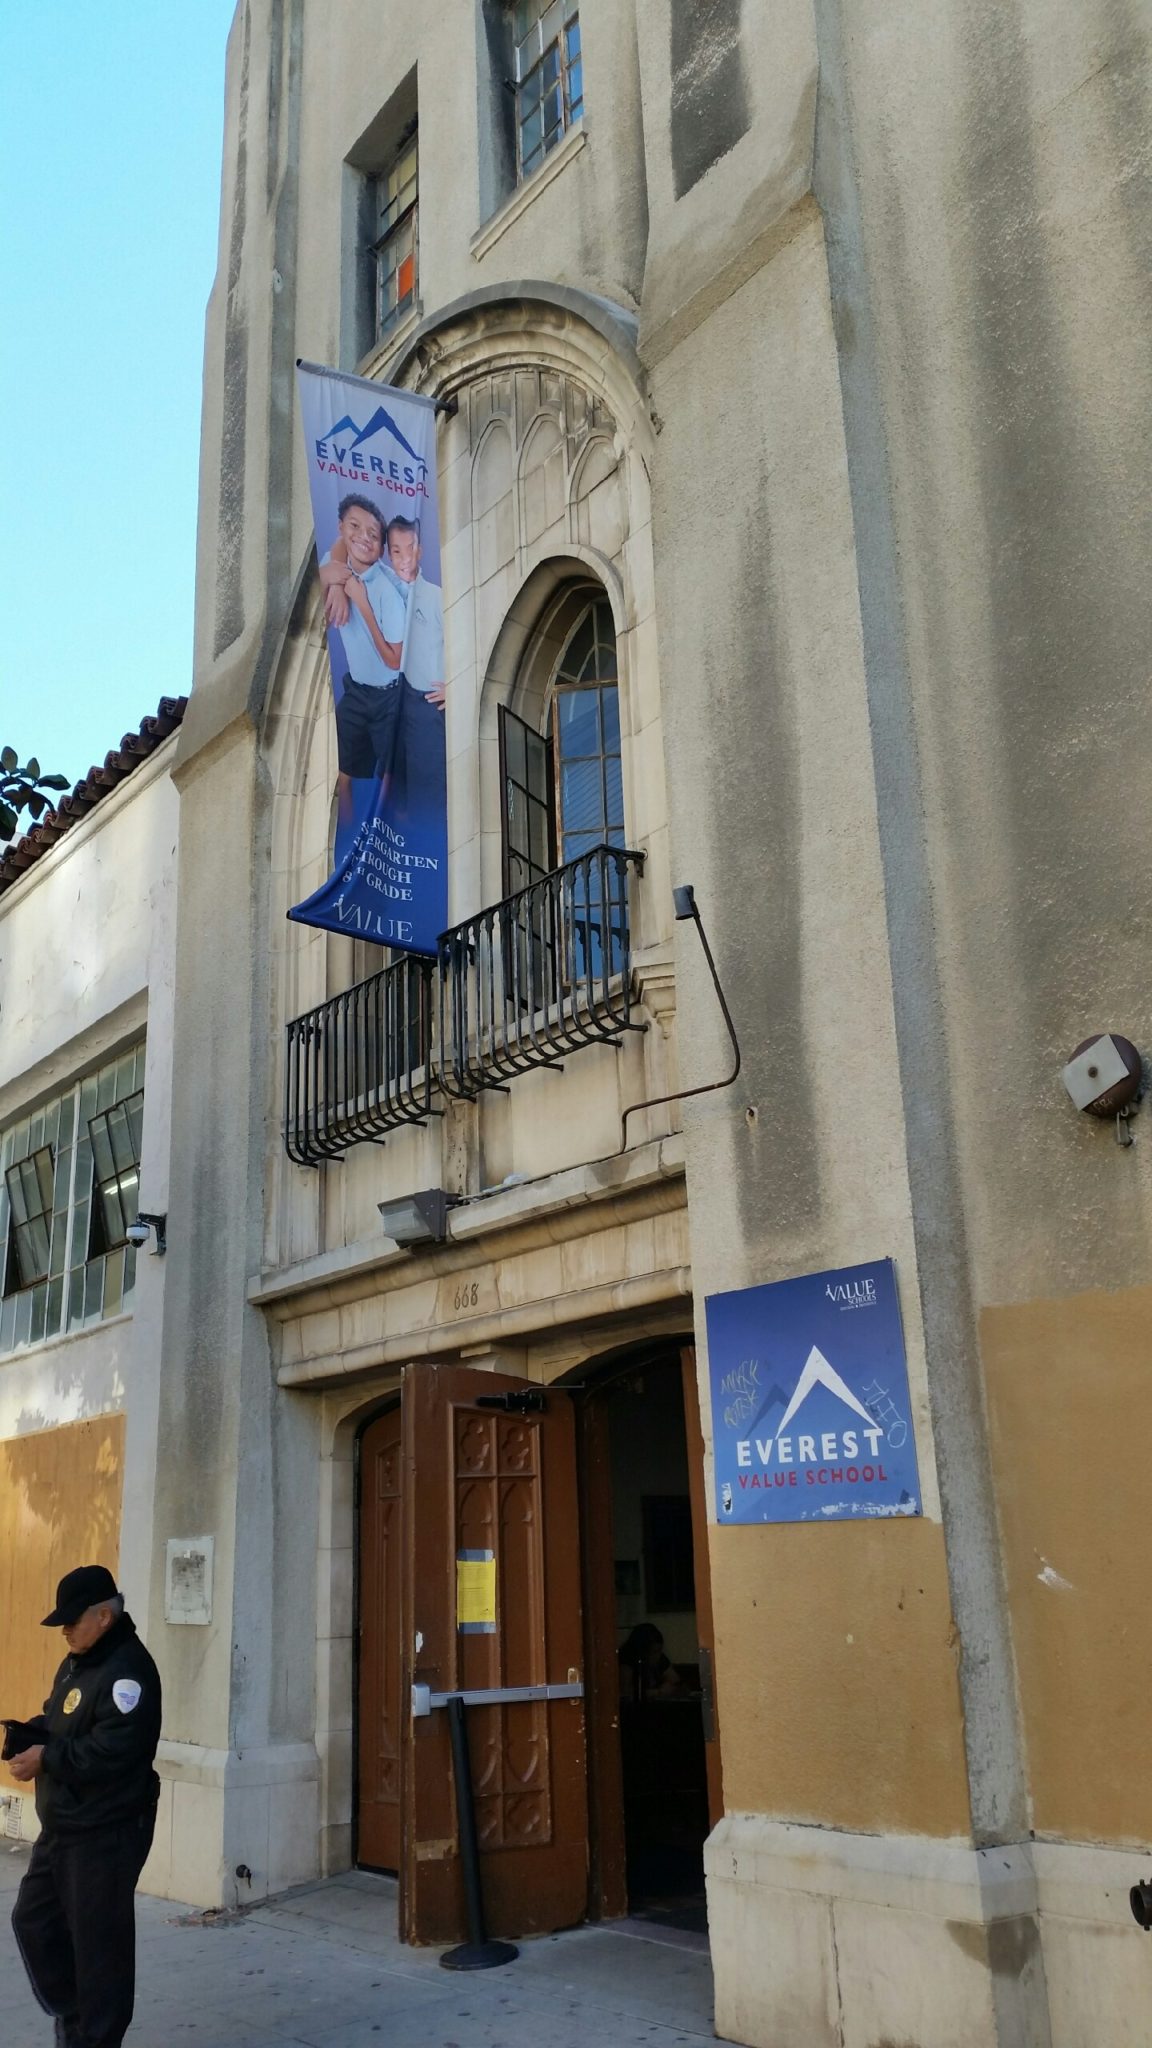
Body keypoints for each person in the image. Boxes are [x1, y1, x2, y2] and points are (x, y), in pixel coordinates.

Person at [7, 1564, 162, 2048]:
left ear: (105, 1616)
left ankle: (95, 2036)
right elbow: (63, 1720)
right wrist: (32, 1735)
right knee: (32, 1920)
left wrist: (48, 1756)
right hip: (64, 1828)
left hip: (105, 1832)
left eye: (74, 1620)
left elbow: (113, 1751)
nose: (66, 1631)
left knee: (100, 1950)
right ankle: (75, 2018)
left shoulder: (128, 1673)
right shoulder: (79, 1660)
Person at [318, 494, 407, 821]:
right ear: (342, 527)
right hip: (357, 689)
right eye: (355, 527)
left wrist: (362, 602)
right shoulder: (340, 559)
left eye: (374, 534)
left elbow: (395, 660)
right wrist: (337, 581)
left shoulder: (386, 591)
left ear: (382, 548)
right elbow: (334, 553)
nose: (363, 537)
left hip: (390, 694)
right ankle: (347, 826)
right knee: (342, 767)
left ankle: (396, 829)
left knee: (390, 775)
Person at [617, 1623, 686, 1703]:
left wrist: (670, 1687)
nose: (658, 1656)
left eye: (660, 1650)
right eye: (654, 1652)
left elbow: (676, 1681)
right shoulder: (627, 1660)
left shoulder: (660, 1658)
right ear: (643, 1650)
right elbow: (625, 1693)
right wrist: (658, 1692)